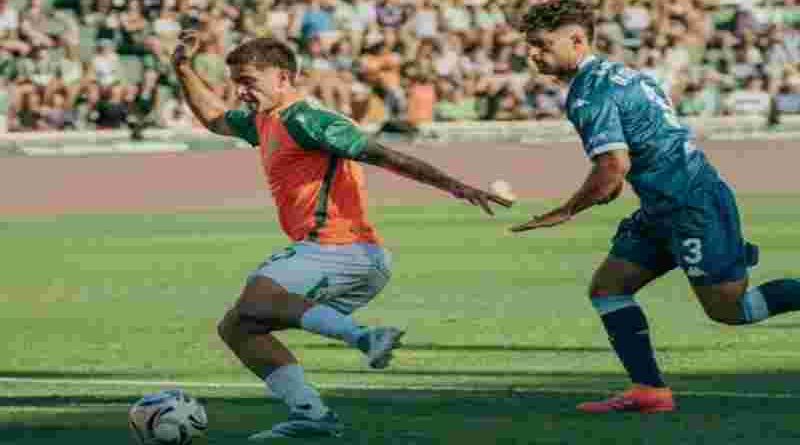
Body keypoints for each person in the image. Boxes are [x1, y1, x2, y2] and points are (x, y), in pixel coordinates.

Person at [172, 34, 512, 439]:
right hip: (330, 253)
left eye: (248, 81)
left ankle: (366, 337)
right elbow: (214, 117)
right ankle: (311, 414)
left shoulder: (307, 120)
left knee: (257, 297)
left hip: (342, 249)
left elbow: (383, 155)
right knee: (237, 327)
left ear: (283, 77)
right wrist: (182, 67)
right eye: (236, 83)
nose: (241, 92)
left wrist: (456, 186)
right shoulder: (265, 120)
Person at [511, 0, 800, 414]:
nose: (533, 54)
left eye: (542, 44)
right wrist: (611, 185)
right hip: (664, 204)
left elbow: (613, 168)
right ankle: (649, 391)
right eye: (531, 46)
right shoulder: (621, 73)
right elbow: (626, 161)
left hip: (691, 204)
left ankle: (650, 389)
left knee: (733, 310)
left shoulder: (590, 93)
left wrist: (567, 210)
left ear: (576, 40)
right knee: (608, 288)